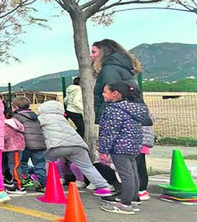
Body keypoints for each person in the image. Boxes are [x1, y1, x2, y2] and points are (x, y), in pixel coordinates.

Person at [37, 100, 117, 197]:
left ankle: (46, 183)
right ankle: (105, 187)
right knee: (87, 167)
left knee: (43, 161)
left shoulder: (41, 118)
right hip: (77, 145)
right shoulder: (62, 119)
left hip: (56, 146)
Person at [98, 81, 152, 215]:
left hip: (119, 147)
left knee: (126, 175)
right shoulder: (134, 108)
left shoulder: (113, 110)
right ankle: (133, 199)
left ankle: (125, 203)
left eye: (105, 92)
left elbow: (109, 132)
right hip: (133, 145)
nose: (103, 94)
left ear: (115, 93)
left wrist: (103, 150)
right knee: (133, 173)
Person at [91, 39, 141, 123]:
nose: (91, 55)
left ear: (104, 52)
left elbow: (112, 97)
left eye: (94, 52)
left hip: (115, 120)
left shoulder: (109, 70)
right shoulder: (121, 68)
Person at [11, 97, 47, 191]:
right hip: (39, 143)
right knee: (39, 164)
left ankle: (26, 179)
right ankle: (44, 184)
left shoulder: (16, 117)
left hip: (25, 144)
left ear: (16, 107)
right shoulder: (35, 116)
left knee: (22, 162)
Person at [1, 101, 26, 195]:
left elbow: (4, 135)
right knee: (6, 166)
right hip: (7, 147)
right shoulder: (12, 121)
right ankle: (10, 182)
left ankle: (19, 186)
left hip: (14, 147)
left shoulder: (8, 123)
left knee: (14, 167)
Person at [136, 112, 155, 202]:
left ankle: (139, 189)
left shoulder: (134, 111)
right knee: (142, 167)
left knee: (136, 167)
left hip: (137, 142)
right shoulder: (146, 112)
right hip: (146, 142)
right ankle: (143, 190)